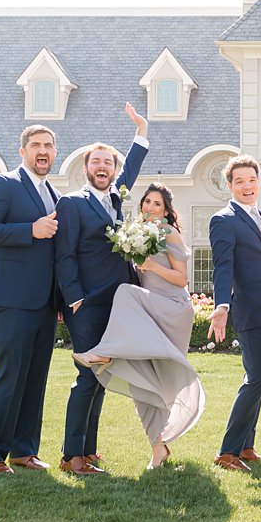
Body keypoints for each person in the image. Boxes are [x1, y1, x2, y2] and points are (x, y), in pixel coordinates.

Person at [72, 182, 202, 471]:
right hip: (148, 309)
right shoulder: (139, 232)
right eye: (147, 202)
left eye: (157, 204)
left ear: (167, 211)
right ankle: (159, 449)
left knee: (124, 292)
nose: (150, 208)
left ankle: (104, 352)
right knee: (141, 380)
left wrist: (151, 266)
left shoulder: (170, 233)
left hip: (172, 308)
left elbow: (182, 280)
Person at [53, 103, 150, 476]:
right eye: (96, 161)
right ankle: (70, 456)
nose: (102, 167)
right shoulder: (72, 203)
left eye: (108, 162)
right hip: (86, 304)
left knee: (102, 376)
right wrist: (74, 297)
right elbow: (65, 255)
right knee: (87, 375)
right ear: (85, 168)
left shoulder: (115, 199)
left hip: (117, 302)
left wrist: (141, 130)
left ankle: (88, 451)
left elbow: (135, 167)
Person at [0, 124, 65, 474]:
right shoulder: (4, 184)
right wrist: (31, 230)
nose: (43, 151)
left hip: (42, 304)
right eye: (36, 145)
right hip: (7, 299)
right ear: (22, 150)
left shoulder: (52, 194)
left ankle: (23, 451)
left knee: (34, 379)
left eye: (49, 146)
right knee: (7, 377)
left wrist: (56, 300)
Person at [208, 155, 261, 472]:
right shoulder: (223, 220)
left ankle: (246, 447)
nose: (247, 185)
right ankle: (227, 451)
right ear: (229, 186)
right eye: (240, 181)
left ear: (259, 182)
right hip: (251, 311)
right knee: (256, 378)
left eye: (252, 180)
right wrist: (221, 306)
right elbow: (223, 267)